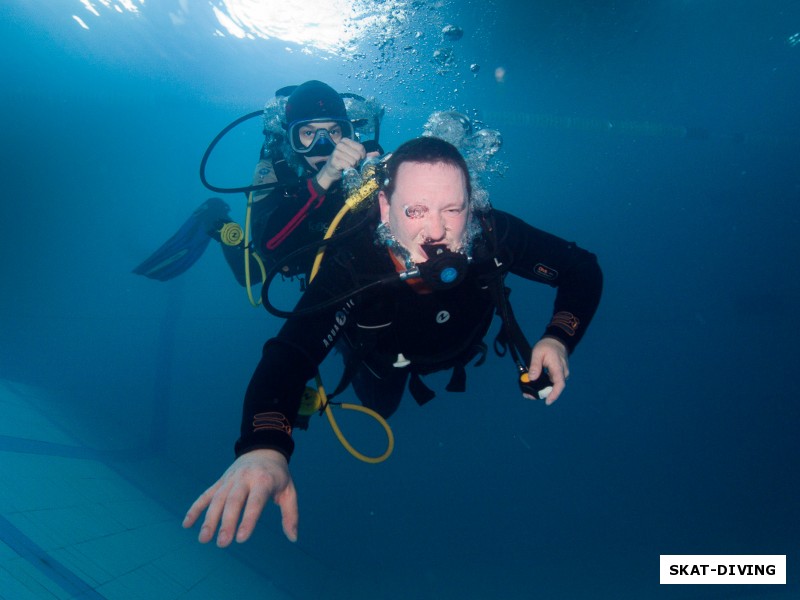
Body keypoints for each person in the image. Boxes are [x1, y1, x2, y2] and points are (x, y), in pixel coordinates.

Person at [182, 136, 603, 546]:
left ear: (471, 206)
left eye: (453, 209)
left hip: (456, 349)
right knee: (382, 406)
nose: (435, 231)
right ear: (385, 208)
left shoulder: (490, 233)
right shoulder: (354, 261)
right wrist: (265, 446)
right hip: (380, 359)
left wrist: (559, 338)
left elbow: (580, 268)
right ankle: (220, 226)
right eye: (415, 210)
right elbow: (291, 352)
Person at [133, 80, 383, 283]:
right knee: (250, 274)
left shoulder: (364, 162)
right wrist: (325, 177)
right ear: (291, 137)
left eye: (334, 132)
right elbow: (270, 246)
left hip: (343, 258)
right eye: (308, 133)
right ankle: (213, 218)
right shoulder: (276, 169)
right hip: (290, 248)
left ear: (348, 132)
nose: (323, 144)